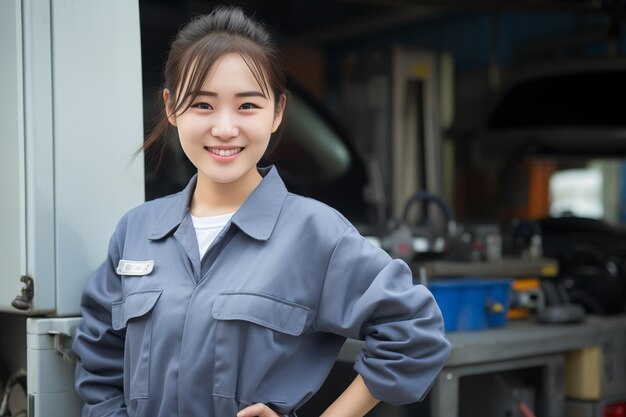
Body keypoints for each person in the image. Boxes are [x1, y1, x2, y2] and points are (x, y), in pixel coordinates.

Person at [71, 6, 451, 417]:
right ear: (171, 107)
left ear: (277, 112)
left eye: (247, 106)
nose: (225, 128)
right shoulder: (137, 231)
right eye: (202, 104)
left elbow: (414, 332)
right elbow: (99, 359)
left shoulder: (315, 234)